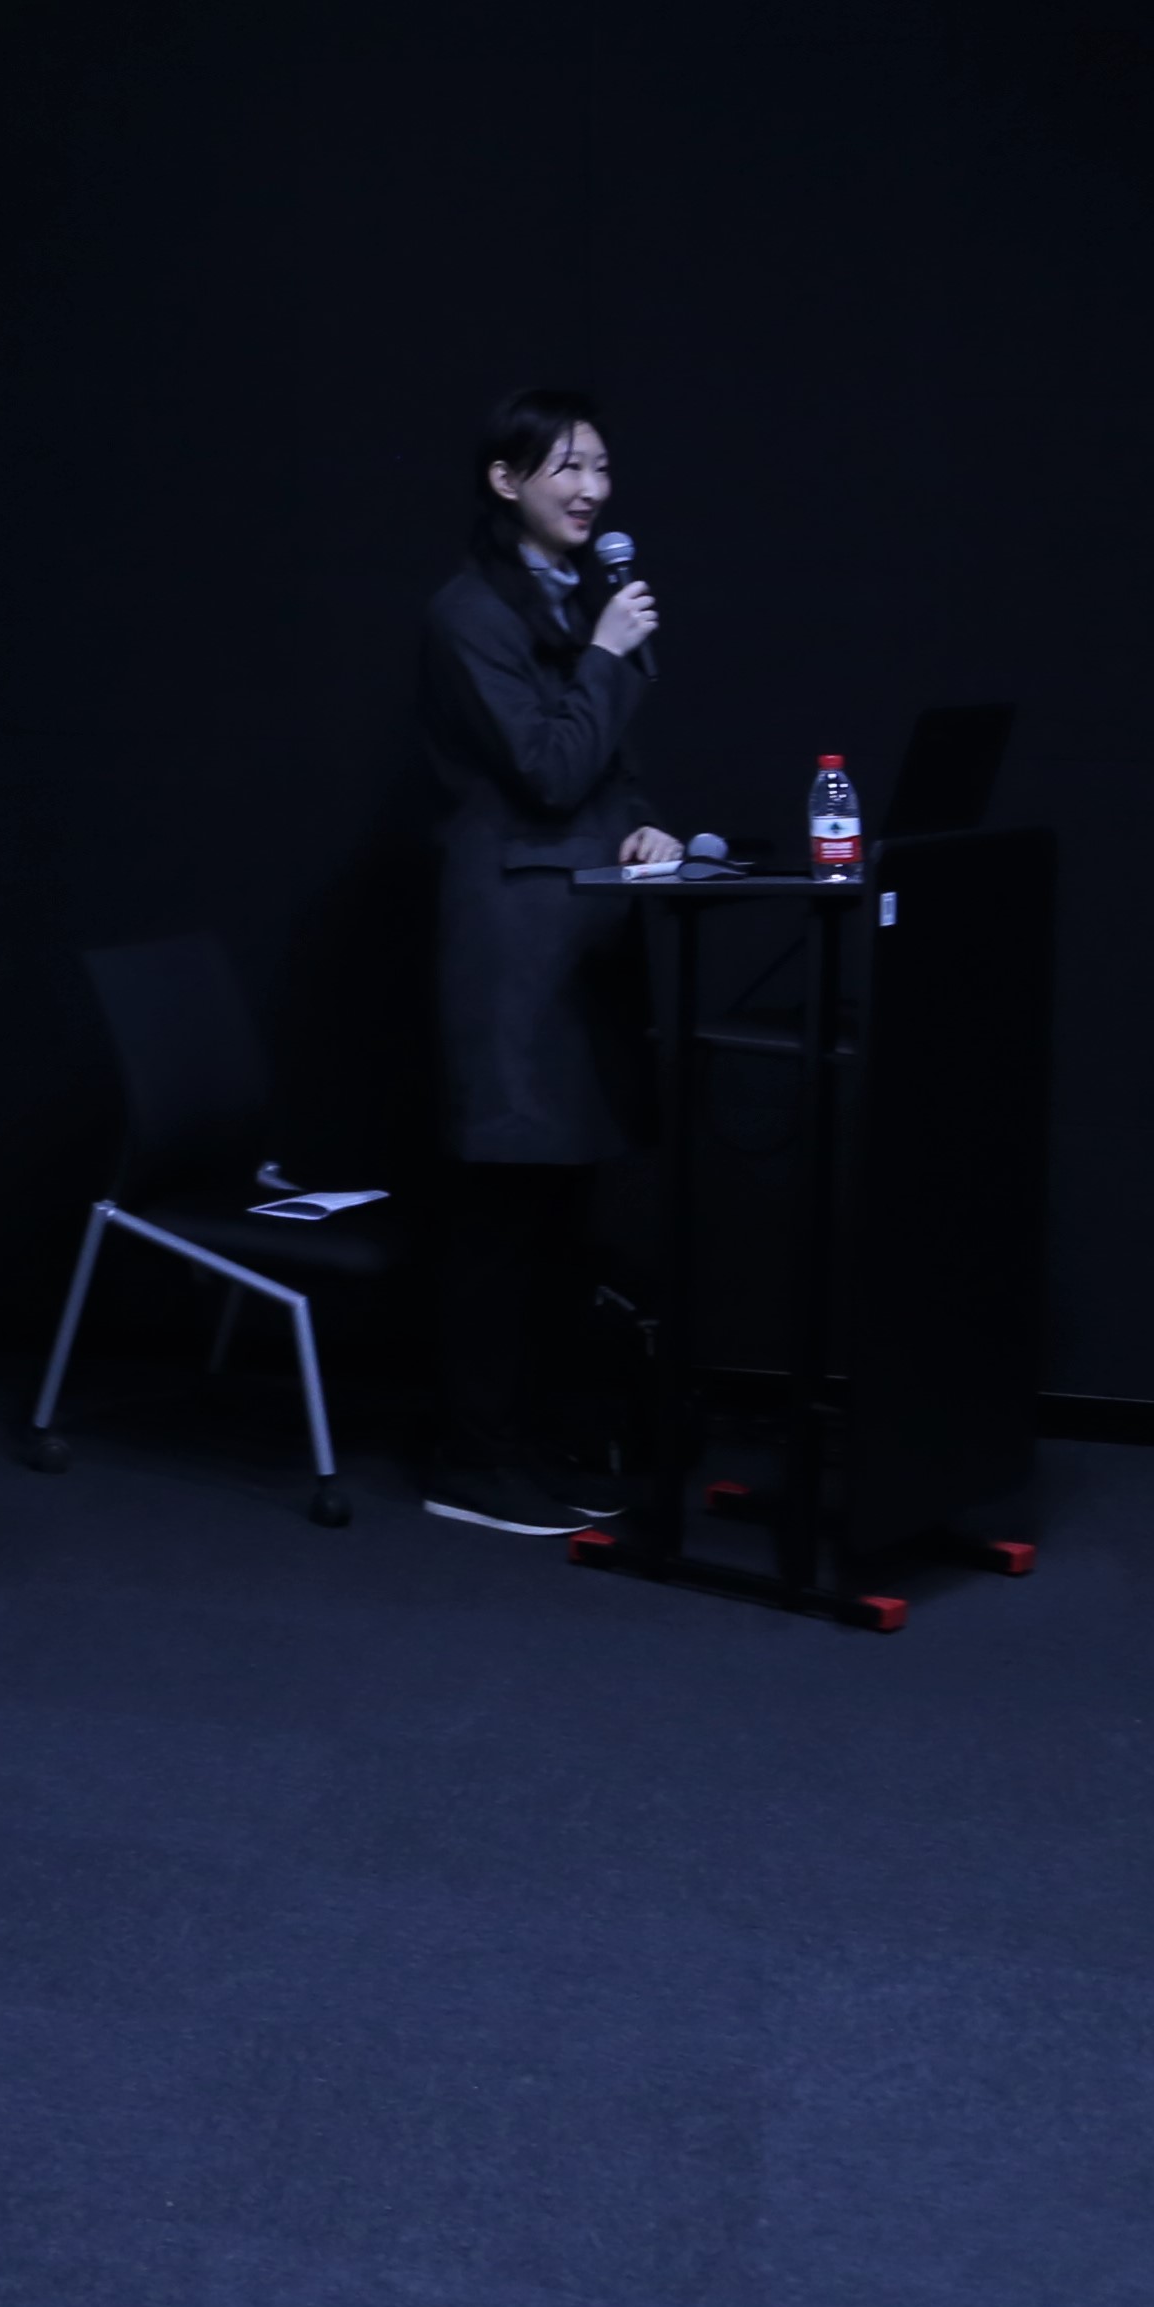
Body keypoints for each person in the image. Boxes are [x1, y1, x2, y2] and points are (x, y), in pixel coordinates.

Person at [415, 384, 681, 1537]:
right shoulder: (468, 613)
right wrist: (611, 654)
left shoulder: (577, 600)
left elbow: (604, 771)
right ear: (505, 479)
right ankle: (472, 1460)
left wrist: (649, 827)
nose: (592, 490)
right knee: (500, 1214)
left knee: (565, 1211)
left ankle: (539, 1440)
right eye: (568, 466)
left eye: (602, 468)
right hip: (514, 953)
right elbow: (546, 769)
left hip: (586, 940)